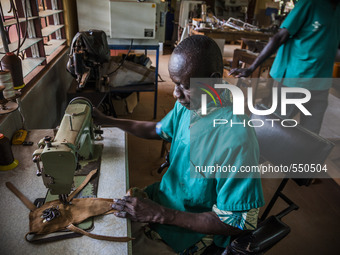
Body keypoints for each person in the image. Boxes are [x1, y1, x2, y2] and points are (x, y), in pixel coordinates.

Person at [94, 35, 264, 254]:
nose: (176, 95)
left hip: (191, 233)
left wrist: (160, 214)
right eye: (175, 84)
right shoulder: (190, 105)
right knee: (103, 225)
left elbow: (237, 223)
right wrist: (109, 121)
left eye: (184, 87)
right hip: (165, 200)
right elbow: (156, 130)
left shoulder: (236, 138)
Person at [229, 0, 340, 134]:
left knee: (311, 134)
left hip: (321, 82)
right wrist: (252, 68)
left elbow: (332, 46)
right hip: (295, 78)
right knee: (277, 126)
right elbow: (280, 37)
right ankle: (259, 153)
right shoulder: (310, 4)